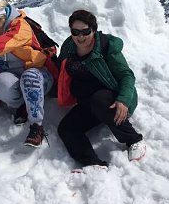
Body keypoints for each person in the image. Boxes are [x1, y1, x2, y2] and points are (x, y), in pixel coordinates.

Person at [57, 9, 146, 169]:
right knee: (66, 128)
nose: (80, 37)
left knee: (100, 100)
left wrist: (123, 100)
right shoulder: (69, 46)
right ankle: (93, 163)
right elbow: (59, 69)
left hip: (112, 99)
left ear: (93, 30)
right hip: (87, 104)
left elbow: (126, 75)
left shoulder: (106, 47)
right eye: (75, 32)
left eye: (85, 32)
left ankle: (134, 140)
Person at [0, 0, 58, 147]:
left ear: (4, 17)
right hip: (14, 75)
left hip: (39, 74)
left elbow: (9, 40)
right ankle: (23, 105)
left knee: (29, 78)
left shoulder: (21, 26)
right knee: (0, 84)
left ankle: (36, 126)